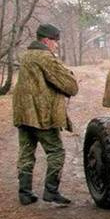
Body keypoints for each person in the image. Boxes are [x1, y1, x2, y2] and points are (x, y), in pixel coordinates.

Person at [12, 23, 79, 205]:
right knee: (56, 152)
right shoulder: (45, 57)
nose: (56, 45)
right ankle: (51, 191)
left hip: (23, 114)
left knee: (26, 152)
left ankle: (25, 193)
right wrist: (69, 75)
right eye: (55, 41)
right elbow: (70, 86)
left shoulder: (26, 56)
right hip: (41, 115)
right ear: (47, 40)